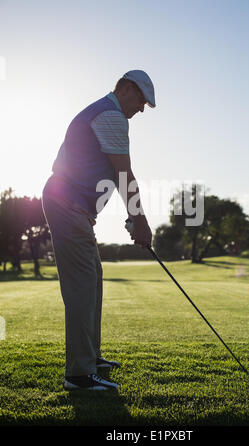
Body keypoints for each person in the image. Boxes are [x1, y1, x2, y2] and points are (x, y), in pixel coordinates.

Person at [42, 70, 155, 391]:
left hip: (72, 206)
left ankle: (90, 358)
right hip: (68, 205)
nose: (143, 109)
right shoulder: (112, 116)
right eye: (143, 101)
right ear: (128, 90)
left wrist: (133, 218)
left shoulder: (100, 111)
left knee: (93, 279)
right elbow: (124, 175)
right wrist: (142, 221)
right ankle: (78, 374)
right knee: (81, 286)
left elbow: (106, 174)